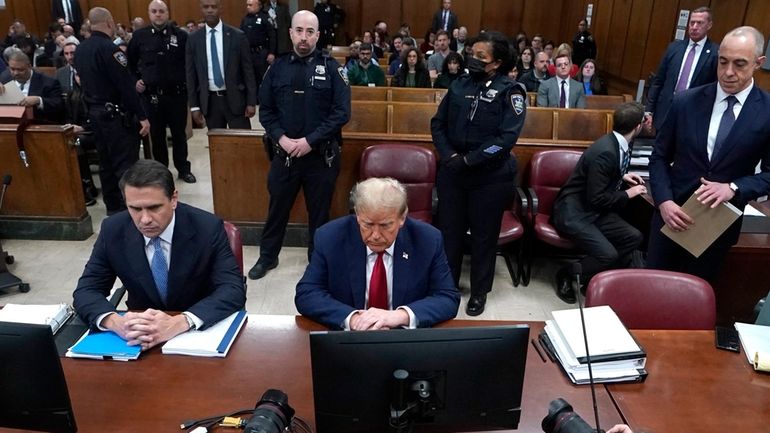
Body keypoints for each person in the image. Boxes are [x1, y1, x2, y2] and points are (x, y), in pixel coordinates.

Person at [73, 160, 246, 350]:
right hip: (139, 339)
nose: (145, 219)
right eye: (135, 209)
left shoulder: (207, 227)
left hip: (195, 335)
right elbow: (86, 290)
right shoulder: (113, 230)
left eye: (154, 208)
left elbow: (232, 289)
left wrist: (180, 322)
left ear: (173, 199)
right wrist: (116, 322)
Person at [647, 26, 770, 281]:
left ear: (759, 63)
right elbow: (659, 156)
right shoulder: (685, 101)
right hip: (671, 216)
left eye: (739, 64)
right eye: (723, 61)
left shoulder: (767, 111)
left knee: (694, 299)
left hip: (717, 226)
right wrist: (664, 202)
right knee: (652, 293)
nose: (728, 72)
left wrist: (733, 187)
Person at [249, 10, 350, 280]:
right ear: (291, 32)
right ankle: (267, 257)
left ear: (317, 35)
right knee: (277, 210)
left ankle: (316, 264)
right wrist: (281, 138)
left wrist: (309, 141)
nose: (303, 37)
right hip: (285, 155)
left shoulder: (333, 68)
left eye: (309, 32)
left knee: (319, 214)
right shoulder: (277, 67)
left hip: (320, 156)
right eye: (299, 30)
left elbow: (341, 113)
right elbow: (266, 111)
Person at [430, 31, 526, 316]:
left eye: (480, 57)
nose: (472, 59)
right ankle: (447, 286)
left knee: (485, 236)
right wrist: (450, 156)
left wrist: (470, 161)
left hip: (490, 178)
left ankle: (479, 292)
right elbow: (438, 124)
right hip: (453, 173)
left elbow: (506, 139)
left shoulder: (511, 91)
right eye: (472, 54)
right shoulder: (458, 85)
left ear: (495, 63)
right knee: (450, 233)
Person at [295, 177, 460, 330]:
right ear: (358, 216)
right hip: (350, 338)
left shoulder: (428, 240)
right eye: (367, 224)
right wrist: (353, 319)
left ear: (402, 218)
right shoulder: (330, 236)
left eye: (385, 225)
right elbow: (307, 293)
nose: (375, 235)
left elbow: (447, 297)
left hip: (405, 339)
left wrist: (399, 316)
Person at [551, 102, 648, 303]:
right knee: (608, 254)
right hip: (575, 212)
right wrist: (629, 194)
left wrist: (622, 177)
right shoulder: (606, 151)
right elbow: (597, 197)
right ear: (637, 127)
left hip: (593, 210)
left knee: (634, 237)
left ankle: (591, 278)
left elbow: (601, 178)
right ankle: (567, 273)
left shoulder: (616, 143)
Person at [76, 7, 149, 215]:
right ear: (109, 23)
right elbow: (126, 86)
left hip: (94, 114)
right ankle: (130, 210)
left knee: (105, 163)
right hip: (115, 116)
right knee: (125, 165)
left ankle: (113, 209)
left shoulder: (81, 49)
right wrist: (142, 116)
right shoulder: (112, 50)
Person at [128, 0, 196, 184]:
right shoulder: (139, 37)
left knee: (179, 134)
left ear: (167, 13)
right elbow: (129, 65)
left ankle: (183, 169)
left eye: (161, 11)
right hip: (152, 97)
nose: (158, 14)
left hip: (177, 95)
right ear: (149, 14)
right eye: (154, 11)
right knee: (157, 136)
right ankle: (161, 172)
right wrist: (136, 81)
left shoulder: (181, 36)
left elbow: (190, 65)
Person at [186, 0, 257, 130]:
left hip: (236, 100)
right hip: (210, 102)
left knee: (242, 145)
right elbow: (191, 75)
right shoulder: (193, 39)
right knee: (218, 147)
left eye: (213, 7)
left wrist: (251, 101)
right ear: (201, 8)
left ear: (220, 8)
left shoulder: (237, 36)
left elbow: (248, 71)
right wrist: (195, 106)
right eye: (206, 7)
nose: (210, 10)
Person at [646, 6, 718, 131]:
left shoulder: (715, 52)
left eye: (699, 23)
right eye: (692, 22)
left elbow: (714, 88)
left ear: (709, 25)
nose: (694, 27)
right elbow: (659, 81)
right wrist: (649, 111)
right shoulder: (674, 48)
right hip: (665, 112)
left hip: (693, 115)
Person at [0, 51, 63, 123]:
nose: (16, 73)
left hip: (37, 125)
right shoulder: (4, 79)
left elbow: (58, 105)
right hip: (8, 124)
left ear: (29, 67)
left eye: (20, 70)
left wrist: (38, 100)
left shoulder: (48, 82)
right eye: (12, 69)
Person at [240, 0, 276, 101]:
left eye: (250, 5)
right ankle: (254, 99)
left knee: (263, 77)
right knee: (250, 77)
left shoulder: (265, 18)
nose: (248, 7)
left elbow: (272, 36)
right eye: (247, 5)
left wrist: (272, 53)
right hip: (248, 53)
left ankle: (265, 99)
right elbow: (241, 36)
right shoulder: (245, 19)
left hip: (261, 53)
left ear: (259, 6)